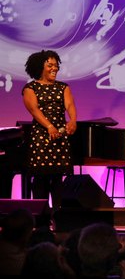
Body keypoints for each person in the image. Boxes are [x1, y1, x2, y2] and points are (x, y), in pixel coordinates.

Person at [22, 49, 77, 209]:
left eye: (56, 65)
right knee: (41, 180)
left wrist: (73, 120)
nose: (55, 68)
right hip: (41, 138)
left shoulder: (63, 87)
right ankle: (41, 220)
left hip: (59, 137)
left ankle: (59, 217)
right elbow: (34, 110)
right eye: (50, 65)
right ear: (39, 66)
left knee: (58, 179)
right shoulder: (30, 88)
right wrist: (49, 126)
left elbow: (70, 105)